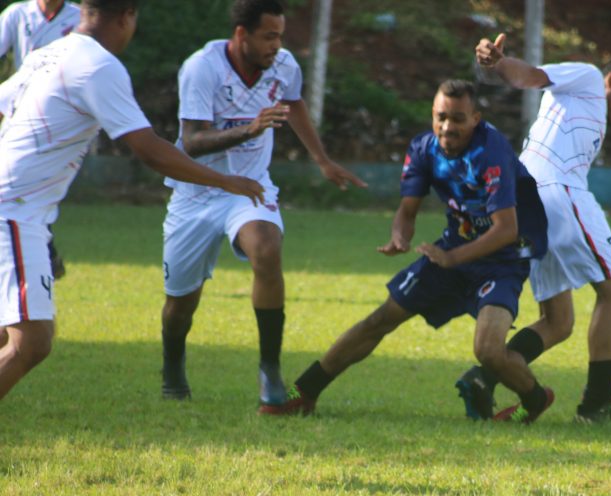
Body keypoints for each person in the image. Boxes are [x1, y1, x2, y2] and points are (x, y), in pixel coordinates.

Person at [0, 0, 265, 401]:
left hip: (19, 209)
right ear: (127, 17)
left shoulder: (48, 53)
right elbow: (149, 149)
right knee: (30, 342)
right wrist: (224, 180)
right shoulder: (98, 66)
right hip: (14, 211)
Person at [264, 79, 554, 423]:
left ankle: (535, 400)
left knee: (488, 350)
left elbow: (507, 229)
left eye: (458, 119)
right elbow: (407, 211)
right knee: (380, 319)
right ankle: (304, 392)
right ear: (433, 115)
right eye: (441, 117)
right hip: (453, 250)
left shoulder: (491, 152)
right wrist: (399, 236)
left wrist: (451, 258)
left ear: (476, 119)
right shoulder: (424, 149)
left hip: (502, 260)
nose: (447, 127)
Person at [159, 0, 366, 408]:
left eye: (280, 36)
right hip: (195, 194)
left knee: (267, 248)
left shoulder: (283, 65)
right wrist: (249, 130)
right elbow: (193, 142)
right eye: (269, 36)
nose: (277, 45)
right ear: (242, 35)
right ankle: (173, 366)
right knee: (180, 304)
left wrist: (321, 159)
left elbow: (294, 103)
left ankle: (270, 368)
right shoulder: (202, 68)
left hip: (250, 188)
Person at [457, 33, 611, 423]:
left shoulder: (588, 113)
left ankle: (484, 378)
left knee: (558, 322)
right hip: (557, 191)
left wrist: (498, 67)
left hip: (528, 202)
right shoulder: (589, 78)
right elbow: (531, 76)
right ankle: (596, 408)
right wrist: (499, 63)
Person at [1, 0, 83, 281]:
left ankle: (41, 251)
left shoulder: (79, 16)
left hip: (57, 118)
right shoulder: (17, 14)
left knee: (33, 192)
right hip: (20, 110)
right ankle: (42, 253)